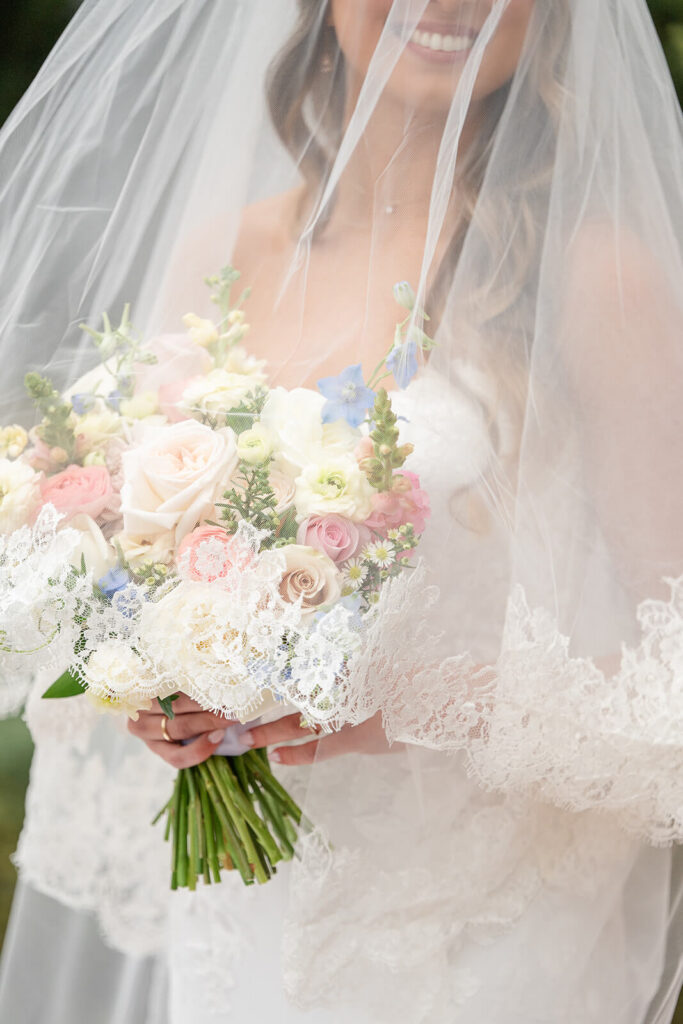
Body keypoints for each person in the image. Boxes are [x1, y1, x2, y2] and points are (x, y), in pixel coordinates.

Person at [0, 1, 681, 1021]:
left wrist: (403, 700)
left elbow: (667, 685)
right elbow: (135, 549)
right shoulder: (223, 250)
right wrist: (157, 673)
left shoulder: (591, 276)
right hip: (240, 907)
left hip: (465, 934)